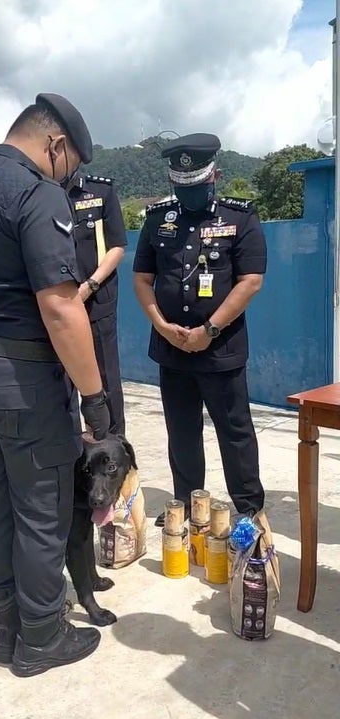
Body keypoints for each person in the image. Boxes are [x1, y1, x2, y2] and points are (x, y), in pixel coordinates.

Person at [0, 93, 110, 678]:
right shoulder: (36, 193)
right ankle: (41, 636)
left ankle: (7, 624)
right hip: (21, 379)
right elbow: (60, 309)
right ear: (56, 144)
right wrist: (96, 398)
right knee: (41, 508)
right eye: (72, 163)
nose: (71, 175)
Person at [132, 133, 266, 527]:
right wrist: (161, 325)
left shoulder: (239, 217)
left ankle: (248, 508)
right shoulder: (158, 219)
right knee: (182, 431)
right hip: (171, 347)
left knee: (235, 431)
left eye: (196, 185)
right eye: (181, 187)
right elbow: (143, 278)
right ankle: (187, 504)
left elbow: (250, 280)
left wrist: (209, 329)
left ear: (215, 176)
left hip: (220, 347)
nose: (188, 193)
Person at [68, 172, 127, 434]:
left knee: (106, 378)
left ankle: (114, 446)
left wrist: (90, 285)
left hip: (97, 301)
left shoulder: (100, 191)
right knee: (62, 382)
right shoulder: (40, 190)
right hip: (56, 304)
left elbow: (117, 246)